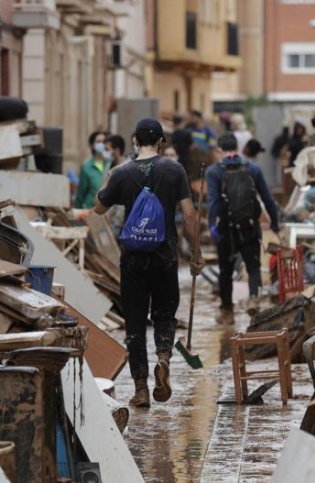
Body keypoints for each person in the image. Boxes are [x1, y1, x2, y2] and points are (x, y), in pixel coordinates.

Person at [94, 118, 203, 407]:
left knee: (134, 323)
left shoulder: (122, 172)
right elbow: (190, 215)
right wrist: (196, 252)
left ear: (134, 140)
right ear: (161, 141)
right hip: (165, 255)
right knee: (165, 314)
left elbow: (99, 207)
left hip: (132, 258)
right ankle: (164, 359)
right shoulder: (174, 170)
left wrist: (109, 179)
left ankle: (141, 389)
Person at [206, 133, 282, 313]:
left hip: (226, 229)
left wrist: (212, 225)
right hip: (249, 227)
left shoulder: (214, 172)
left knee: (226, 270)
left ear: (219, 150)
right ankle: (254, 300)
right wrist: (275, 222)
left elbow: (214, 201)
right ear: (237, 148)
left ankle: (227, 312)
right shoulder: (253, 169)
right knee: (253, 267)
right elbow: (267, 198)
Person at [74, 131, 109, 209]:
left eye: (104, 141)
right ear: (92, 145)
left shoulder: (110, 164)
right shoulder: (86, 167)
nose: (102, 144)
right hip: (91, 209)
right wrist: (76, 210)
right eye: (98, 142)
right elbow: (81, 193)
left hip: (108, 210)